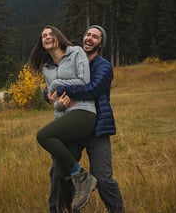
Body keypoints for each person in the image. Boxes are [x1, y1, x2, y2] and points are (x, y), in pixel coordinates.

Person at [47, 25, 124, 213]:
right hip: (75, 126)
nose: (89, 38)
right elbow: (54, 80)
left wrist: (61, 89)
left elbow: (92, 89)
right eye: (88, 34)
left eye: (95, 37)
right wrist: (47, 94)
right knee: (59, 171)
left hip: (97, 128)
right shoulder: (74, 60)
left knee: (103, 178)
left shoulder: (103, 66)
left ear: (100, 43)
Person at [28, 25, 98, 211]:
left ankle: (82, 177)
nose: (48, 37)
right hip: (63, 117)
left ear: (59, 36)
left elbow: (85, 82)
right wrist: (57, 104)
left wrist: (58, 84)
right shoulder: (47, 67)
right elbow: (55, 101)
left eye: (51, 34)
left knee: (43, 135)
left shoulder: (76, 52)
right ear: (41, 43)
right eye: (44, 35)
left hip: (83, 113)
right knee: (59, 172)